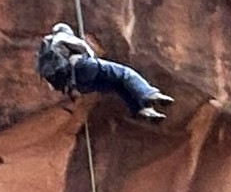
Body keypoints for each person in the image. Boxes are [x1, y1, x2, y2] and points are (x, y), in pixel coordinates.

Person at [35, 22, 170, 122]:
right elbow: (84, 49)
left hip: (79, 85)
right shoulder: (61, 37)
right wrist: (88, 52)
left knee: (118, 84)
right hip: (83, 67)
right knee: (125, 73)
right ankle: (149, 93)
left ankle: (142, 109)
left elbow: (52, 84)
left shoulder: (44, 55)